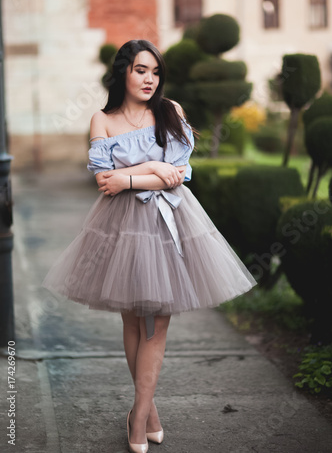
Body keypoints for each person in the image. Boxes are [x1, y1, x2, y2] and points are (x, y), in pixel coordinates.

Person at [42, 39, 257, 453]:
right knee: (132, 322)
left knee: (156, 324)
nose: (149, 79)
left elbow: (178, 175)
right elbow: (106, 183)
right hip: (121, 228)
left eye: (155, 72)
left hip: (171, 222)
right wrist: (150, 167)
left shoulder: (169, 111)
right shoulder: (102, 120)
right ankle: (149, 411)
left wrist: (132, 176)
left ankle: (138, 419)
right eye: (141, 69)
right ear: (123, 71)